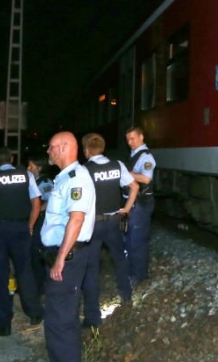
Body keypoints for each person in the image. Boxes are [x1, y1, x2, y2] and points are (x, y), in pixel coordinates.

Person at [0, 147, 44, 336]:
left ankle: (3, 323)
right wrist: (30, 224)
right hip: (20, 228)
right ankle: (35, 313)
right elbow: (37, 202)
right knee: (25, 271)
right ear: (11, 159)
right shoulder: (26, 175)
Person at [41, 131, 96, 362]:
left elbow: (76, 219)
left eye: (51, 147)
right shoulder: (64, 177)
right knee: (61, 316)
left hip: (68, 259)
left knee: (60, 320)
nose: (48, 151)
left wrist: (61, 258)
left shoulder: (76, 178)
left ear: (63, 147)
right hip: (64, 256)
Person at [80, 133, 138, 328]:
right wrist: (127, 209)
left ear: (87, 151)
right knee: (120, 261)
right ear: (103, 148)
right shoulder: (118, 165)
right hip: (113, 222)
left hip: (93, 224)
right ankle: (127, 298)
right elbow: (134, 186)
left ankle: (92, 318)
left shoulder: (84, 170)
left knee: (91, 269)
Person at [124, 125, 156, 285]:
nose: (130, 142)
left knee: (137, 241)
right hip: (133, 203)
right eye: (128, 139)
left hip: (141, 204)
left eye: (133, 138)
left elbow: (146, 178)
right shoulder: (134, 154)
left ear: (141, 137)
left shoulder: (146, 157)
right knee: (130, 239)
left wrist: (126, 174)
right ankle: (133, 272)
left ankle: (139, 275)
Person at [27, 155, 55, 296]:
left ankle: (42, 287)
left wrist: (36, 210)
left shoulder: (44, 182)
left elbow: (51, 200)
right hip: (36, 220)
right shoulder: (33, 181)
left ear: (39, 168)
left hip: (41, 222)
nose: (28, 169)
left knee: (38, 254)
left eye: (31, 166)